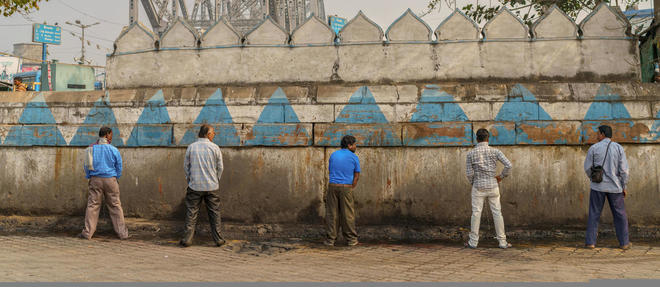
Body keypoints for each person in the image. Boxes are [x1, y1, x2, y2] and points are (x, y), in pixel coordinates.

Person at [584, 125, 631, 250]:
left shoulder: (593, 148)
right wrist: (624, 186)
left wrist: (593, 178)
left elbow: (588, 168)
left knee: (594, 214)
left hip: (597, 186)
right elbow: (624, 171)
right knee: (620, 215)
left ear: (603, 134)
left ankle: (591, 242)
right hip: (615, 187)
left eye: (598, 133)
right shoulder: (618, 148)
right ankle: (624, 243)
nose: (596, 136)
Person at [465, 129, 513, 249]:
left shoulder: (471, 154)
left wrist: (474, 183)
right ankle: (502, 242)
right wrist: (501, 177)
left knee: (476, 213)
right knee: (497, 213)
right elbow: (509, 165)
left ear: (477, 139)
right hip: (493, 186)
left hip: (478, 187)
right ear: (488, 138)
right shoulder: (495, 151)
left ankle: (473, 242)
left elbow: (469, 173)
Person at [180, 124, 225, 247]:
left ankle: (187, 239)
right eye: (213, 133)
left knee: (191, 212)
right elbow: (220, 167)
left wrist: (189, 180)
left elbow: (186, 167)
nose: (214, 134)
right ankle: (218, 239)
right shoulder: (215, 148)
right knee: (214, 213)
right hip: (212, 186)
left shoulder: (191, 147)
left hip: (195, 186)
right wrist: (216, 179)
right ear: (208, 134)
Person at [80, 127, 128, 240]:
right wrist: (116, 177)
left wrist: (89, 177)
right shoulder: (114, 150)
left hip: (95, 179)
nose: (112, 136)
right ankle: (122, 234)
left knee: (93, 205)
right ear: (107, 135)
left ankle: (88, 233)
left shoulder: (90, 149)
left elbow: (86, 166)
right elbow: (119, 166)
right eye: (111, 134)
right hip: (111, 179)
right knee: (115, 205)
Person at [324, 135, 360, 247]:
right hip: (346, 187)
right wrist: (350, 186)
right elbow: (356, 175)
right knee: (348, 214)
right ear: (349, 145)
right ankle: (351, 240)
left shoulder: (333, 154)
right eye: (354, 144)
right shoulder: (354, 157)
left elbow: (331, 170)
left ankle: (330, 240)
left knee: (332, 214)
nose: (355, 146)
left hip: (332, 186)